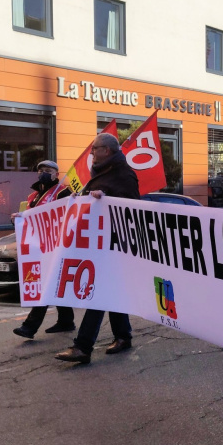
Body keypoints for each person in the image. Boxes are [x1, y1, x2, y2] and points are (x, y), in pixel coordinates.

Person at [55, 133, 140, 364]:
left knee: (99, 293)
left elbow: (132, 209)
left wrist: (107, 198)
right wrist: (79, 199)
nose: (91, 152)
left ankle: (83, 346)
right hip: (97, 245)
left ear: (107, 151)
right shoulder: (100, 173)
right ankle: (123, 336)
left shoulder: (124, 175)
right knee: (109, 292)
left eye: (95, 148)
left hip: (114, 246)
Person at [13, 160, 76, 338]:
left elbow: (71, 214)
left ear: (57, 174)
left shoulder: (63, 192)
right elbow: (28, 217)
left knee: (47, 285)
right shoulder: (33, 196)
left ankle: (29, 327)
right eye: (41, 170)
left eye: (48, 170)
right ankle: (66, 321)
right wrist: (18, 218)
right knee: (54, 283)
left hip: (58, 246)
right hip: (40, 247)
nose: (44, 173)